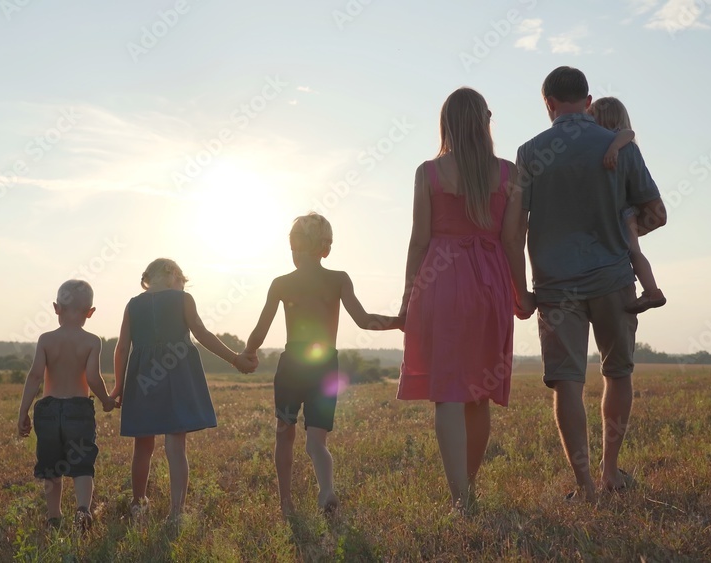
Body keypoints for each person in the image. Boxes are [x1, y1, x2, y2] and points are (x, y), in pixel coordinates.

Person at [514, 66, 667, 501]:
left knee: (567, 382)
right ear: (587, 99)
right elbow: (656, 213)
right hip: (613, 279)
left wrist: (520, 286)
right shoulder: (619, 146)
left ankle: (584, 487)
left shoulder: (529, 153)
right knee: (617, 373)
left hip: (555, 285)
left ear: (548, 104)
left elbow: (515, 228)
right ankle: (611, 471)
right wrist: (625, 232)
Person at [398, 87, 531, 513]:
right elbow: (513, 240)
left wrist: (406, 299)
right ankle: (467, 488)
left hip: (441, 280)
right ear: (484, 121)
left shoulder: (429, 172)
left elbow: (419, 241)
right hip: (490, 282)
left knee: (448, 394)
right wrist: (521, 292)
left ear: (447, 124)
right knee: (479, 391)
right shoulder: (510, 175)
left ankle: (461, 498)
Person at [243, 213, 401, 516]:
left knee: (284, 432)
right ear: (326, 249)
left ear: (296, 248)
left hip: (292, 365)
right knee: (317, 441)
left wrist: (248, 353)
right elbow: (365, 320)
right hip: (326, 364)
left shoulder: (281, 283)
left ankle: (286, 502)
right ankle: (326, 489)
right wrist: (400, 322)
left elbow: (261, 329)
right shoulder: (338, 279)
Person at [111, 258, 256, 523]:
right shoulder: (183, 299)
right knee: (176, 446)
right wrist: (234, 358)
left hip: (143, 377)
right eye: (182, 281)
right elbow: (201, 332)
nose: (182, 286)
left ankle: (137, 502)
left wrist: (119, 386)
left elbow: (122, 348)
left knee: (142, 446)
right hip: (176, 374)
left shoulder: (133, 305)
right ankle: (176, 511)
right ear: (172, 274)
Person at [17, 279, 115, 532]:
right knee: (82, 465)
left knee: (52, 466)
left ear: (56, 308)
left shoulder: (46, 340)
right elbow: (93, 378)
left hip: (48, 411)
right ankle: (82, 509)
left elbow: (35, 376)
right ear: (90, 313)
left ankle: (53, 517)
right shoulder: (92, 341)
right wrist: (106, 400)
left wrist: (23, 411)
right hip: (78, 411)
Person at [590, 96, 666, 314]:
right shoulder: (614, 143)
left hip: (623, 213)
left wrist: (613, 148)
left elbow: (628, 133)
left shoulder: (618, 140)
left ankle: (652, 291)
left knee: (633, 251)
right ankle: (651, 290)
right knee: (633, 250)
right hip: (626, 212)